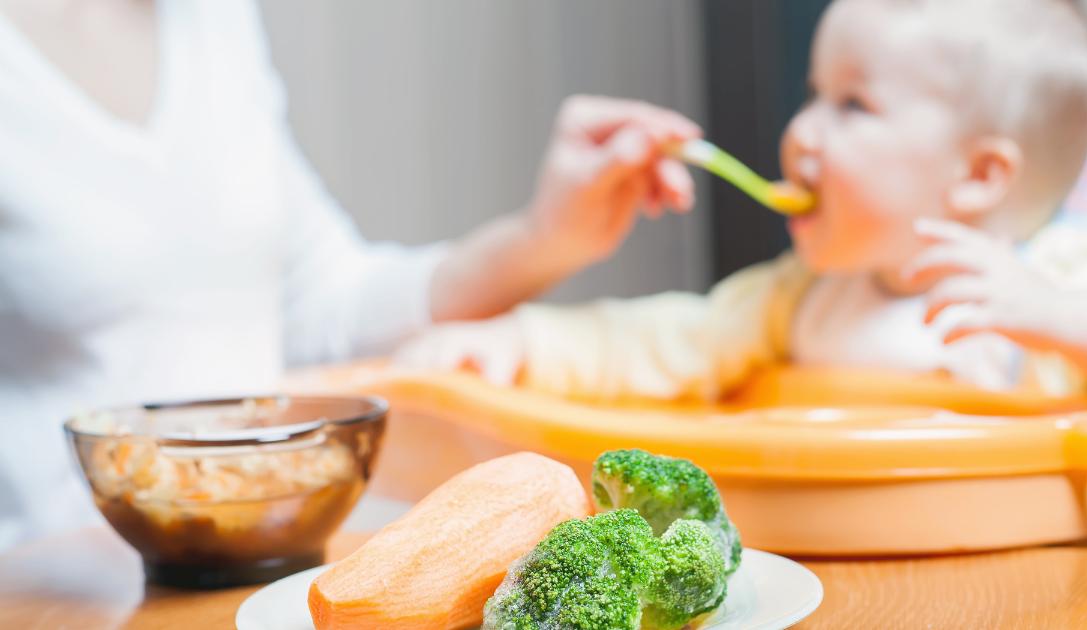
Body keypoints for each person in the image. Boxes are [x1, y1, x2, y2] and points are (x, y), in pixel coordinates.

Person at [0, 0, 699, 548]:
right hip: (55, 598)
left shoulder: (212, 15)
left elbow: (325, 304)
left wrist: (545, 238)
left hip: (255, 577)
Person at [397, 0, 1087, 401]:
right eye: (813, 93)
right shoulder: (805, 298)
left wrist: (1061, 316)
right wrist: (522, 342)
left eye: (854, 105)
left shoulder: (1067, 278)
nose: (801, 132)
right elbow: (669, 337)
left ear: (980, 176)